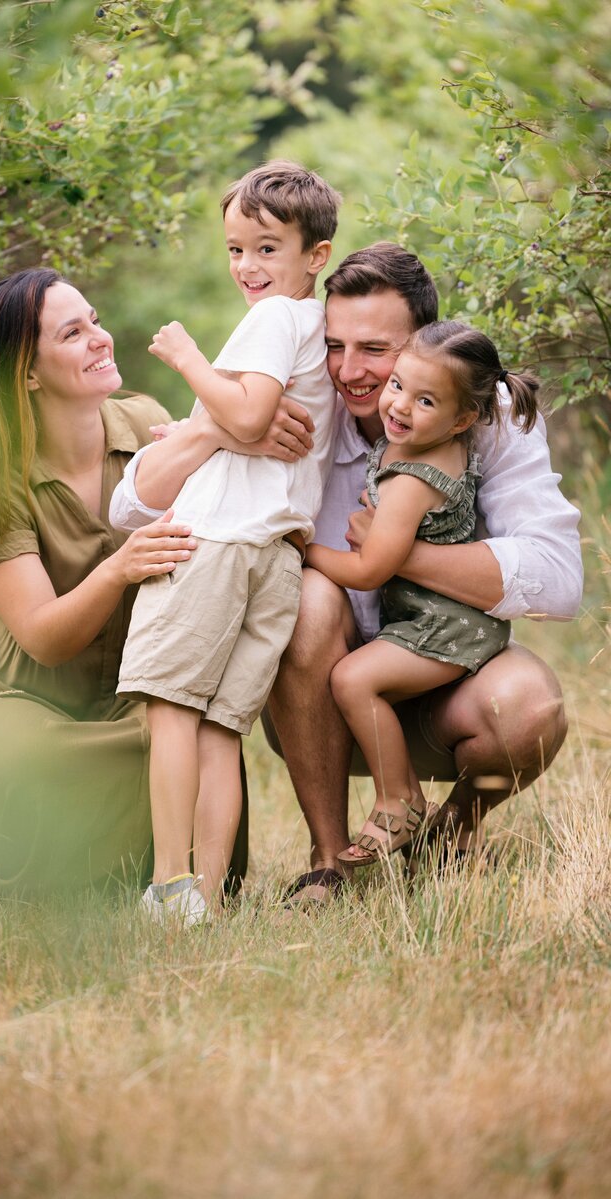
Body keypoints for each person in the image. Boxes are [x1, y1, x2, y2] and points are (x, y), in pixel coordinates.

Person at [113, 243, 582, 904]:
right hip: (321, 698)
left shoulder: (482, 412)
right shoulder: (303, 399)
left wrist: (398, 554)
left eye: (376, 350)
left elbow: (560, 578)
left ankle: (450, 832)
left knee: (532, 705)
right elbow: (129, 504)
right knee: (304, 596)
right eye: (336, 346)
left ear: (423, 344)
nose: (353, 373)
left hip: (445, 672)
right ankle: (328, 859)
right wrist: (224, 431)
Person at [0, 267, 255, 891]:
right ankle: (70, 873)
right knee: (29, 761)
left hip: (129, 694)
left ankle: (160, 886)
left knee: (195, 743)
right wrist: (119, 567)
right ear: (27, 373)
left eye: (95, 322)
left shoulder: (148, 423)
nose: (100, 340)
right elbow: (44, 638)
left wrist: (234, 429)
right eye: (72, 334)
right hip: (19, 706)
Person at [110, 161, 341, 923]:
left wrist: (186, 360)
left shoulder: (275, 318)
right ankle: (205, 896)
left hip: (214, 543)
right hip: (275, 556)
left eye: (268, 248)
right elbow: (246, 421)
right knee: (219, 728)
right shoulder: (314, 328)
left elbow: (245, 418)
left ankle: (170, 883)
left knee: (171, 707)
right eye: (236, 248)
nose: (248, 266)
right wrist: (201, 423)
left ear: (317, 255)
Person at [305, 320, 540, 866]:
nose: (400, 406)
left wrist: (303, 549)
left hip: (443, 625)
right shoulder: (436, 441)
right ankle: (408, 807)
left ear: (463, 419)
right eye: (398, 386)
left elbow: (368, 570)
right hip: (444, 617)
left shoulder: (412, 479)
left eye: (425, 399)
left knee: (352, 678)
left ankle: (400, 798)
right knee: (360, 678)